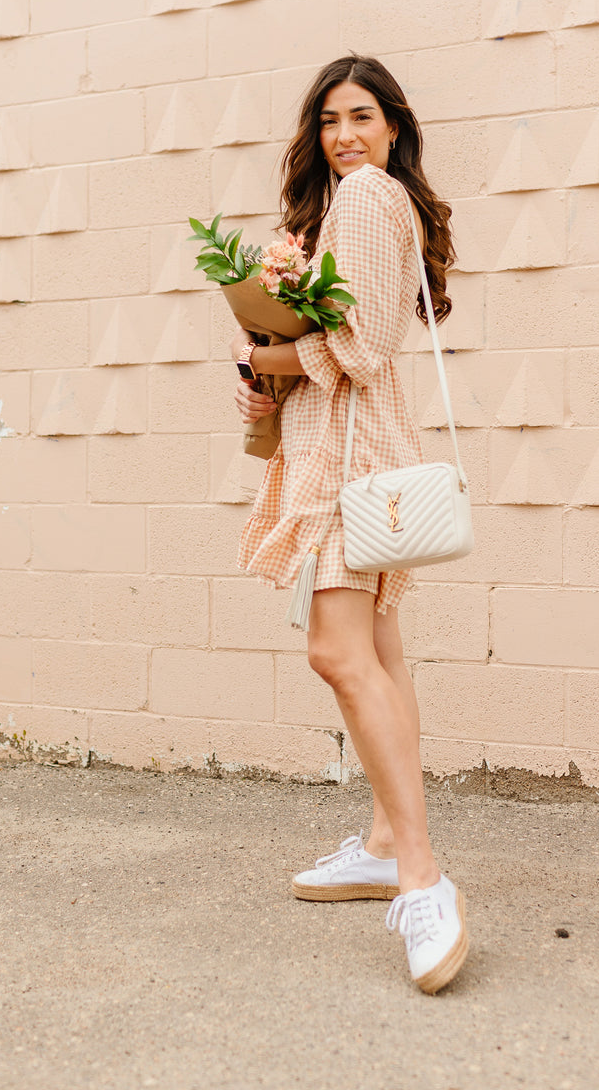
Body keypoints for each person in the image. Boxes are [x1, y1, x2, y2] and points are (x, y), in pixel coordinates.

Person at [231, 55, 468, 994]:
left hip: (352, 453)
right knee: (376, 649)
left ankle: (422, 877)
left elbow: (364, 345)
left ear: (394, 128)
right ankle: (380, 842)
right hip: (353, 439)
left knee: (338, 654)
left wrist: (270, 348)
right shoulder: (350, 203)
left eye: (362, 116)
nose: (344, 137)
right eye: (329, 120)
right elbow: (347, 337)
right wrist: (271, 369)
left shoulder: (368, 198)